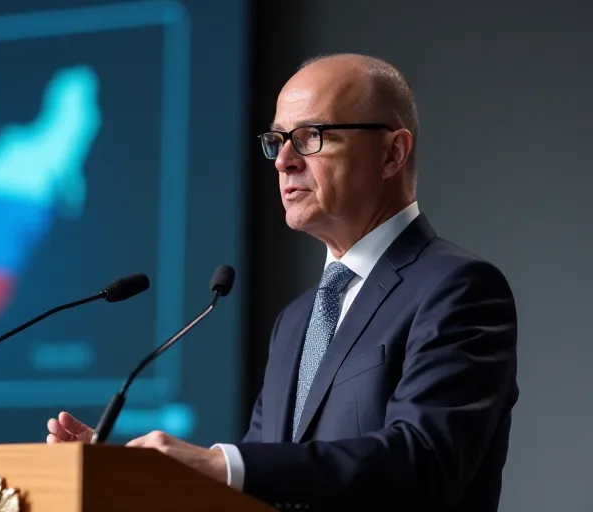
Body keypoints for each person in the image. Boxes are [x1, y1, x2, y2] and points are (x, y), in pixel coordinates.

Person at [46, 53, 519, 511]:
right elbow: (257, 485)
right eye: (276, 140)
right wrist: (138, 471)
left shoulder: (457, 288)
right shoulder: (296, 321)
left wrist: (220, 464)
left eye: (311, 136)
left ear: (392, 153)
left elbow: (424, 464)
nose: (283, 161)